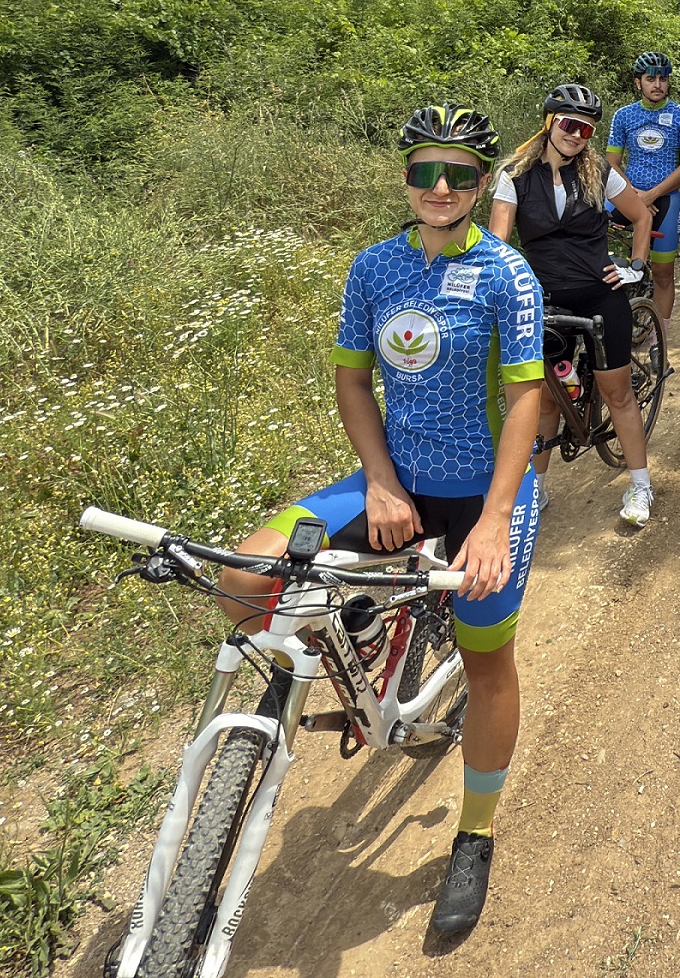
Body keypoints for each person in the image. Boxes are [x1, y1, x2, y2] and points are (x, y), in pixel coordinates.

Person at [213, 103, 544, 937]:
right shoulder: (373, 268)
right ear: (404, 176)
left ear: (480, 182)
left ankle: (475, 835)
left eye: (460, 174)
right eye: (426, 171)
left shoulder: (506, 273)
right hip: (389, 479)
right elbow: (355, 385)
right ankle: (359, 643)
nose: (441, 187)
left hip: (481, 490)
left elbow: (524, 399)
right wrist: (383, 484)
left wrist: (495, 521)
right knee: (245, 579)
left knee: (486, 660)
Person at [489, 84, 658, 527]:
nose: (577, 134)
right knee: (544, 401)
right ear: (549, 123)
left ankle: (640, 485)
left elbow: (642, 216)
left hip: (601, 293)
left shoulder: (599, 170)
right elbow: (498, 246)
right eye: (569, 124)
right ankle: (537, 489)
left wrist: (636, 266)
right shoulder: (515, 176)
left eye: (585, 128)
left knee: (617, 393)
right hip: (544, 297)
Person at [605, 51, 680, 338]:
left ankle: (660, 338)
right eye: (650, 79)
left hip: (666, 199)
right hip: (625, 194)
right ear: (638, 83)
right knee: (598, 257)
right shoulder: (624, 115)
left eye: (662, 78)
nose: (657, 84)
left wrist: (652, 195)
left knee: (662, 273)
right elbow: (610, 162)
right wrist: (634, 196)